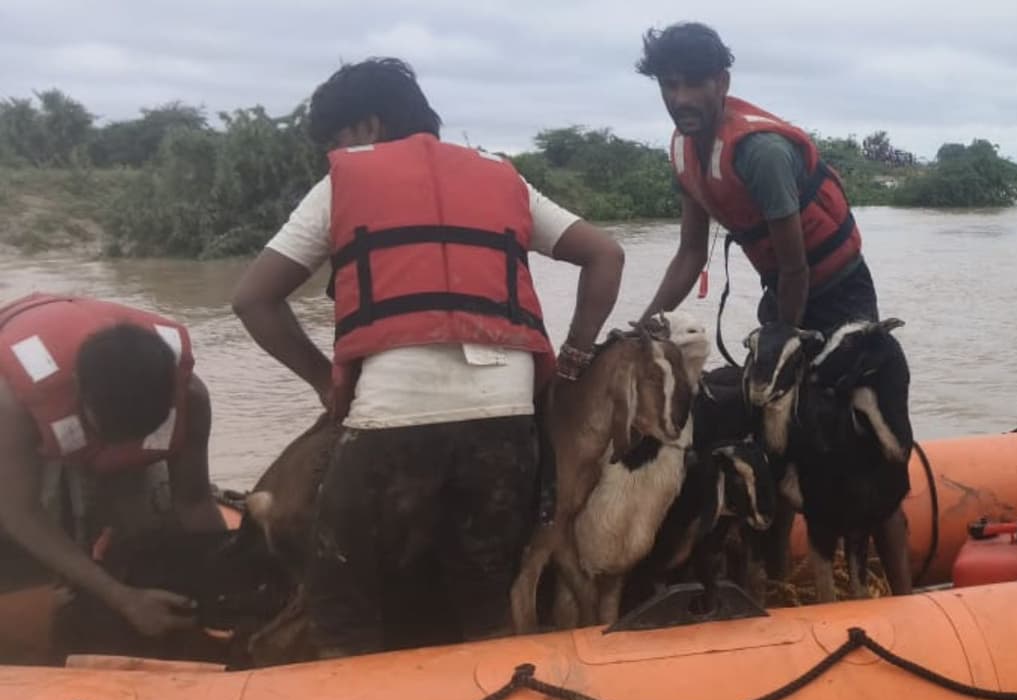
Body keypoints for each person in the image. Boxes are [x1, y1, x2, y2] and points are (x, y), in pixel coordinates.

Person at [232, 57, 625, 657]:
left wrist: (322, 382)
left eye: (335, 140)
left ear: (365, 127)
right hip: (507, 420)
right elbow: (606, 255)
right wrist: (575, 353)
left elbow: (253, 300)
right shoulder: (503, 177)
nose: (334, 153)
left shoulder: (344, 180)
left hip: (393, 422)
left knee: (342, 606)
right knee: (485, 600)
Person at [635, 23, 912, 595]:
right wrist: (647, 322)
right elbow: (690, 253)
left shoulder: (759, 153)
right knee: (775, 440)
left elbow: (796, 267)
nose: (680, 99)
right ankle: (781, 580)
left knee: (866, 452)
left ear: (723, 82)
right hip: (783, 293)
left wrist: (788, 339)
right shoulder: (687, 153)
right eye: (669, 85)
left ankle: (905, 597)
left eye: (694, 85)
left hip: (839, 295)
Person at [0, 293, 227, 641]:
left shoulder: (191, 396)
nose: (123, 446)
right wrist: (123, 600)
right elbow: (19, 512)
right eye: (113, 433)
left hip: (108, 420)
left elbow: (194, 501)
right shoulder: (12, 405)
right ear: (80, 393)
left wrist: (224, 579)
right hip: (27, 435)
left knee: (150, 530)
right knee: (33, 552)